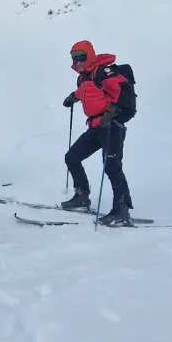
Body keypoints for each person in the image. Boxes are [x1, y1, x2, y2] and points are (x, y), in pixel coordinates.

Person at [62, 40, 135, 225]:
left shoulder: (103, 71)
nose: (77, 61)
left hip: (112, 127)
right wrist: (73, 97)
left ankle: (121, 210)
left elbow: (123, 92)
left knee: (112, 166)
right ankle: (82, 195)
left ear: (89, 56)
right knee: (72, 157)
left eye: (80, 57)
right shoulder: (83, 77)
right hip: (95, 127)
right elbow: (86, 91)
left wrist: (113, 111)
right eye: (74, 58)